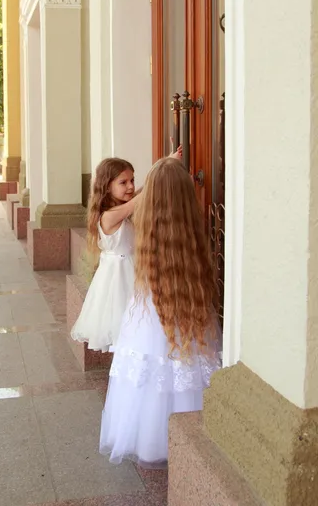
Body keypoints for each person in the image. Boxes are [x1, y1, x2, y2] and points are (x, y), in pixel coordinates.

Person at [99, 158, 222, 469]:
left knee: (150, 369)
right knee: (186, 362)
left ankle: (151, 440)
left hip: (150, 307)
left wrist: (161, 169)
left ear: (151, 196)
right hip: (189, 303)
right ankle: (192, 437)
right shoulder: (190, 234)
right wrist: (167, 166)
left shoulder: (149, 228)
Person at [71, 147, 183, 352]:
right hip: (119, 278)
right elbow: (142, 196)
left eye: (132, 180)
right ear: (106, 187)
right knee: (126, 326)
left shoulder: (120, 208)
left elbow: (139, 194)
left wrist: (167, 160)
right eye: (123, 183)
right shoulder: (109, 216)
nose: (131, 186)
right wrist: (164, 167)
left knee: (140, 326)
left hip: (133, 271)